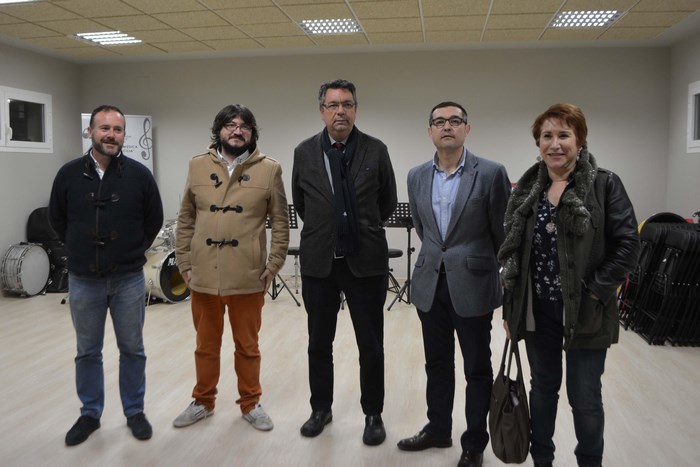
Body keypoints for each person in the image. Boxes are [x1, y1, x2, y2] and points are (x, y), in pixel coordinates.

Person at [498, 103, 640, 467]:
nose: (555, 144)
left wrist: (595, 290)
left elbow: (628, 245)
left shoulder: (604, 184)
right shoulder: (528, 189)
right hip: (538, 310)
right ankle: (542, 459)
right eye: (547, 136)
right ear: (538, 142)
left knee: (585, 397)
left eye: (564, 135)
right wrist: (511, 306)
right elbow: (515, 254)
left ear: (580, 140)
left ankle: (589, 461)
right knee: (543, 391)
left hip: (587, 310)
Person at [397, 102, 511, 467]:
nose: (447, 126)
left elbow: (502, 234)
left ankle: (474, 442)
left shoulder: (491, 173)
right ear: (429, 130)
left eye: (455, 121)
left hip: (474, 284)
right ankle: (438, 428)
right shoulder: (416, 175)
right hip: (431, 283)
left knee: (477, 367)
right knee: (437, 363)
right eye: (439, 122)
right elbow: (422, 228)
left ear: (467, 128)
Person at [49, 104, 164, 446]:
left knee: (133, 349)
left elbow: (153, 219)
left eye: (117, 130)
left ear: (123, 135)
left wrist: (130, 250)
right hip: (85, 280)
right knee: (87, 351)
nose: (111, 135)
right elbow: (58, 219)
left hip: (128, 278)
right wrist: (81, 249)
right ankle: (90, 414)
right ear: (90, 132)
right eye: (104, 129)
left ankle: (134, 411)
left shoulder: (139, 175)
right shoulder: (69, 174)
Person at [291, 79, 397, 446]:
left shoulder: (375, 150)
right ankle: (321, 408)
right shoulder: (304, 152)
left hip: (365, 261)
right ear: (322, 110)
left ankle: (373, 412)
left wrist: (355, 228)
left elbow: (386, 202)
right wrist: (331, 227)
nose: (341, 111)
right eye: (333, 105)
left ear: (356, 109)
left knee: (371, 344)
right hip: (320, 262)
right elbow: (302, 205)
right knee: (319, 342)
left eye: (348, 104)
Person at [173, 104, 288, 432]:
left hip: (248, 277)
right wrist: (184, 263)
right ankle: (202, 401)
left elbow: (280, 223)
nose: (237, 131)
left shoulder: (270, 170)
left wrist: (273, 266)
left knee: (248, 347)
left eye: (244, 126)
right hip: (203, 276)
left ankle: (251, 403)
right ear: (219, 130)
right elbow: (186, 219)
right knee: (205, 346)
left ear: (252, 133)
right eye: (230, 125)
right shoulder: (197, 166)